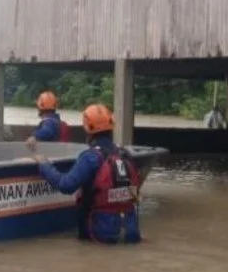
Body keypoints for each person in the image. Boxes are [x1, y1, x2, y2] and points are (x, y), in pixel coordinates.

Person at [25, 103, 141, 244]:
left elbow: (66, 185)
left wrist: (44, 164)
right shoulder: (125, 154)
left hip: (101, 234)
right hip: (130, 231)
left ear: (88, 129)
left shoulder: (91, 157)